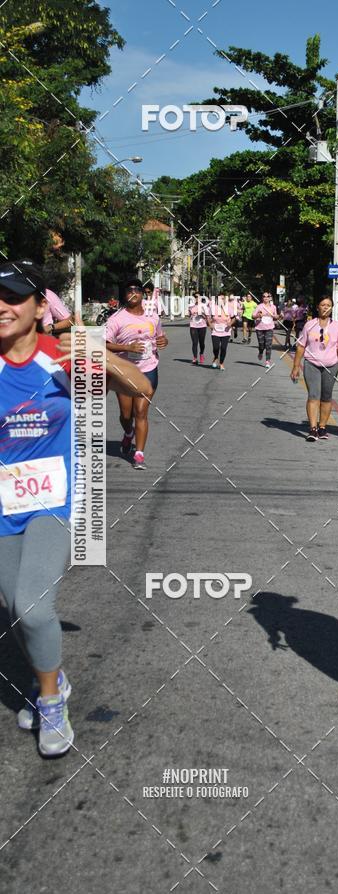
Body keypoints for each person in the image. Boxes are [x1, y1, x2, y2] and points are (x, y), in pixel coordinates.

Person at [0, 260, 152, 757]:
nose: (3, 308)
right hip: (2, 507)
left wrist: (100, 357)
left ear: (41, 306)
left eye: (14, 297)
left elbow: (140, 387)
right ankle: (56, 678)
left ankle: (50, 701)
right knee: (16, 612)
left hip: (58, 502)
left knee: (32, 604)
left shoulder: (62, 355)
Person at [105, 278, 168, 469]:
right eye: (129, 290)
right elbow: (104, 344)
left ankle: (139, 454)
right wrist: (127, 347)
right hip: (123, 371)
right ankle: (128, 433)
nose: (133, 293)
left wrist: (164, 342)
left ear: (143, 294)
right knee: (126, 415)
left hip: (148, 369)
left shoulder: (152, 317)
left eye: (137, 290)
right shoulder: (116, 319)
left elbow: (160, 337)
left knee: (140, 412)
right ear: (124, 295)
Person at [291, 295, 338, 441]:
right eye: (322, 305)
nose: (325, 307)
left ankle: (322, 427)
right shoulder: (309, 325)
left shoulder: (336, 326)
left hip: (331, 366)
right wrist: (296, 366)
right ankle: (312, 429)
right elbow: (301, 346)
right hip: (312, 364)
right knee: (313, 395)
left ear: (331, 308)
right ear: (317, 307)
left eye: (328, 305)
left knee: (326, 397)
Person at [253, 292, 280, 369]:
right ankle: (261, 351)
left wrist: (279, 316)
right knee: (261, 344)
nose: (266, 297)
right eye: (264, 296)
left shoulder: (273, 307)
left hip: (269, 328)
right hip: (260, 328)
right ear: (262, 298)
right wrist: (258, 315)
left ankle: (267, 361)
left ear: (270, 298)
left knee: (268, 345)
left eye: (267, 296)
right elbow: (253, 316)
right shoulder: (259, 306)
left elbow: (276, 317)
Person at [207, 294, 233, 370]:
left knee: (223, 348)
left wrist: (230, 323)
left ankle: (221, 363)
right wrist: (210, 324)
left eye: (223, 299)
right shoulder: (213, 308)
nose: (222, 300)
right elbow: (208, 317)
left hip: (226, 331)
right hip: (215, 330)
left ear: (225, 300)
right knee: (216, 347)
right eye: (220, 299)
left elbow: (234, 318)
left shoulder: (229, 308)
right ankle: (215, 357)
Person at [188, 292, 207, 364]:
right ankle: (195, 358)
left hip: (202, 326)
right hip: (193, 326)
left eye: (198, 297)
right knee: (194, 342)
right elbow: (188, 315)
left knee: (202, 343)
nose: (197, 298)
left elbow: (207, 317)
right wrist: (190, 314)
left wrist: (202, 314)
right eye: (195, 297)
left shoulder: (204, 306)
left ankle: (201, 354)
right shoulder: (190, 306)